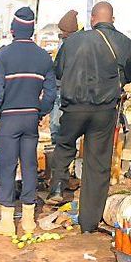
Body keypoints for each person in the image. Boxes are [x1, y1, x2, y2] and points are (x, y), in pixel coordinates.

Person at [49, 1, 131, 232]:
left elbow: (58, 70)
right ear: (112, 18)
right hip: (104, 110)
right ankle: (89, 223)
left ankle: (58, 185)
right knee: (97, 164)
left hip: (74, 107)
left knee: (64, 144)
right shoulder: (124, 42)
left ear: (92, 19)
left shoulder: (73, 41)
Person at [0, 7, 56, 236]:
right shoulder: (44, 57)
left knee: (7, 167)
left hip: (7, 120)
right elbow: (51, 94)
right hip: (30, 119)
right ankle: (28, 221)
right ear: (33, 30)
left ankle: (7, 221)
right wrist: (39, 113)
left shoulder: (4, 55)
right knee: (30, 167)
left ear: (13, 30)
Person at [48, 9, 79, 161]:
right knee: (57, 125)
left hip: (65, 88)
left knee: (58, 125)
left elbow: (59, 68)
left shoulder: (72, 44)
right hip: (63, 88)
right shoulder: (66, 42)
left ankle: (62, 158)